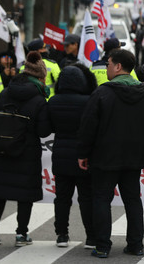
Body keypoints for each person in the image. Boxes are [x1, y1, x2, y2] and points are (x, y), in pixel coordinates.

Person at [78, 49, 144, 258]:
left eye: (108, 64)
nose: (106, 68)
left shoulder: (102, 93)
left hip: (105, 156)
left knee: (101, 199)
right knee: (132, 199)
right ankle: (136, 245)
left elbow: (88, 126)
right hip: (134, 155)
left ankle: (102, 246)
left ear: (118, 67)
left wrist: (83, 153)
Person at [0, 51, 52, 247]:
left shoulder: (7, 92)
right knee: (25, 194)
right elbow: (43, 131)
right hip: (27, 152)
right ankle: (21, 234)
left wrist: (5, 125)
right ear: (40, 77)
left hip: (3, 149)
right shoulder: (39, 100)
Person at [45, 64, 97, 249]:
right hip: (84, 156)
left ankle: (62, 235)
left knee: (62, 198)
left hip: (60, 154)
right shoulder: (89, 101)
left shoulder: (53, 101)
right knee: (86, 197)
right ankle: (91, 236)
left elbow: (46, 129)